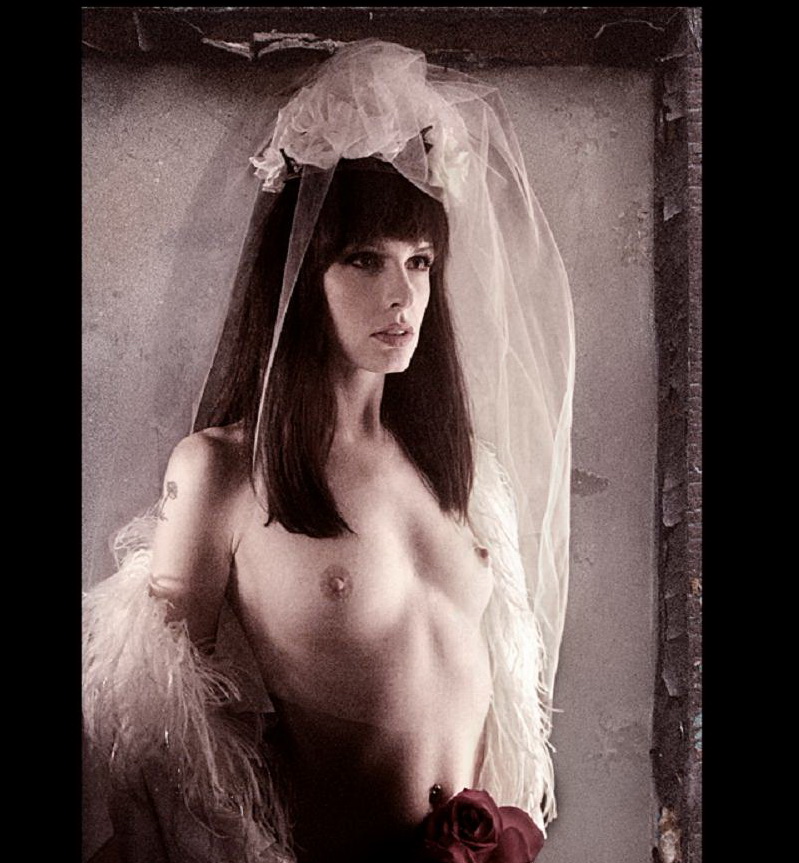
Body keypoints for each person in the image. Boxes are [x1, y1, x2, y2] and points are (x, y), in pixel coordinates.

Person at [83, 40, 575, 863]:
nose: (402, 295)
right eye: (364, 260)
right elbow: (155, 749)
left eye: (420, 261)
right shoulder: (224, 473)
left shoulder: (462, 473)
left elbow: (495, 701)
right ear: (300, 277)